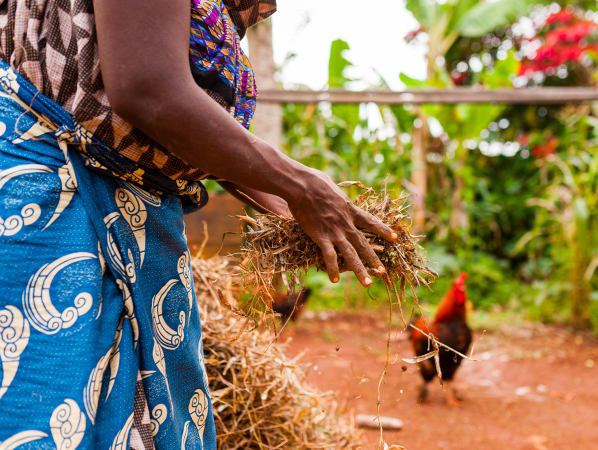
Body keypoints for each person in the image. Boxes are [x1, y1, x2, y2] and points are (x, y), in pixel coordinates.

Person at [0, 0, 396, 448]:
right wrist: (301, 185)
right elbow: (147, 89)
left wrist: (288, 205)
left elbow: (182, 125)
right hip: (48, 215)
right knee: (45, 401)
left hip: (134, 223)